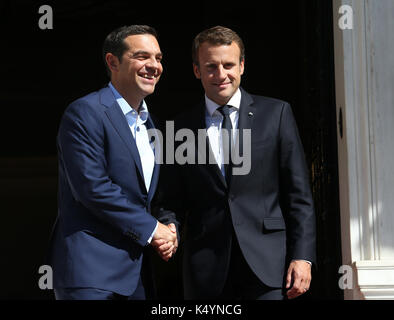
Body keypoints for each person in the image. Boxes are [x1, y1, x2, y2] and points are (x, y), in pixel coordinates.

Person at [155, 26, 316, 300]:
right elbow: (171, 199)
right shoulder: (179, 127)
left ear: (241, 66)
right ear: (197, 70)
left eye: (229, 64)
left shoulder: (276, 114)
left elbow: (298, 195)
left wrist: (303, 257)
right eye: (211, 66)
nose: (221, 74)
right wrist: (169, 227)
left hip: (268, 267)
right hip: (206, 269)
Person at [48, 25, 178, 300]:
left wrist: (168, 225)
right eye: (142, 56)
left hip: (136, 276)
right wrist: (154, 230)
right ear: (113, 62)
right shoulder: (85, 112)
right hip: (91, 275)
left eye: (159, 58)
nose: (154, 65)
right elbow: (92, 188)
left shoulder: (151, 125)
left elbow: (150, 195)